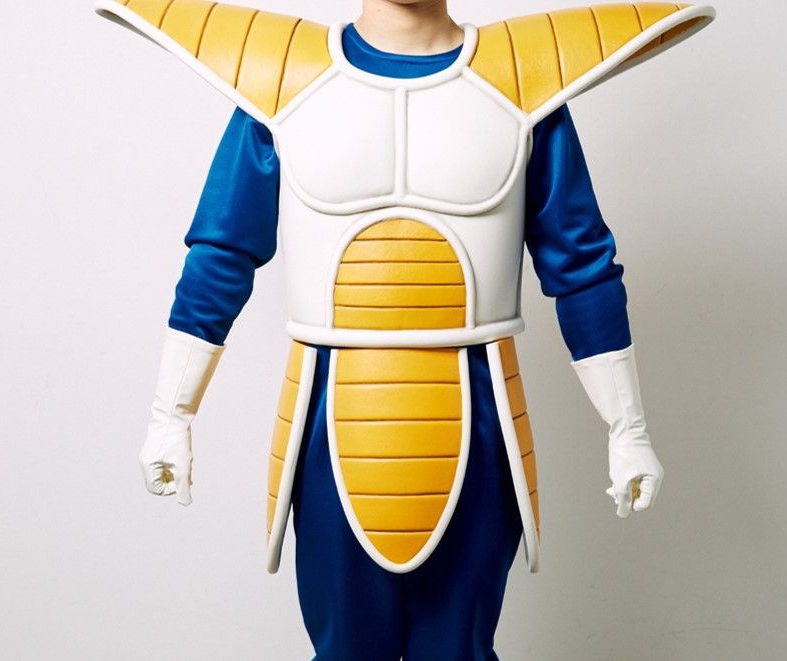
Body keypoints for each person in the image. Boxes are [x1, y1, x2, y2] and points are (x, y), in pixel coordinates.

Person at [95, 0, 715, 657]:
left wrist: (628, 427)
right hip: (329, 416)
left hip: (479, 414)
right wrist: (170, 412)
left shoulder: (527, 89)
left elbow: (582, 268)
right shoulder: (278, 84)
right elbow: (222, 254)